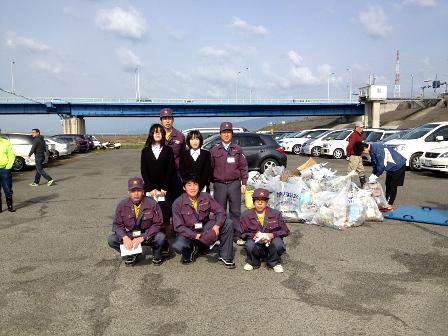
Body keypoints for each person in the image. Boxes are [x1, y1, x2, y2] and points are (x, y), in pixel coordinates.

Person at [171, 172, 235, 268]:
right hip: (189, 232)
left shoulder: (206, 197)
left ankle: (225, 256)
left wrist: (217, 226)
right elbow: (179, 227)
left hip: (204, 227)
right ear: (184, 188)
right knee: (178, 245)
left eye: (195, 184)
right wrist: (196, 236)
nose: (193, 188)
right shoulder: (177, 203)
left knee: (228, 223)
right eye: (189, 185)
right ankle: (192, 248)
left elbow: (220, 211)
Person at [107, 177, 166, 266]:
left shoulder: (152, 204)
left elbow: (159, 224)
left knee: (161, 237)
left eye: (139, 190)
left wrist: (143, 237)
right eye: (133, 191)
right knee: (112, 240)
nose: (136, 194)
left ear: (143, 191)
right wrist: (124, 237)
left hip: (148, 234)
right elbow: (117, 225)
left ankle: (156, 253)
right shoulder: (122, 205)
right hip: (132, 233)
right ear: (128, 192)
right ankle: (133, 253)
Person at [210, 122, 248, 246]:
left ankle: (236, 235)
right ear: (220, 134)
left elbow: (243, 167)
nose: (226, 135)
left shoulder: (237, 150)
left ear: (232, 134)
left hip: (234, 184)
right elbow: (210, 168)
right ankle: (220, 235)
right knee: (220, 211)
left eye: (228, 132)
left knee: (235, 211)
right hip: (219, 185)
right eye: (224, 132)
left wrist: (244, 183)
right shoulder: (214, 151)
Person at [141, 123, 175, 256]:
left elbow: (170, 169)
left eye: (160, 132)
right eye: (155, 132)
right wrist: (150, 189)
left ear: (163, 134)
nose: (157, 133)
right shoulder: (145, 151)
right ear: (151, 134)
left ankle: (165, 244)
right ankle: (153, 244)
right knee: (150, 218)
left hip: (165, 191)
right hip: (151, 192)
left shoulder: (168, 151)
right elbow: (144, 171)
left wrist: (164, 188)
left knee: (165, 218)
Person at [240, 188, 290, 273]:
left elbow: (285, 231)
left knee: (278, 243)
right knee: (249, 244)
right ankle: (253, 262)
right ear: (253, 202)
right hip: (256, 243)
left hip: (271, 243)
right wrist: (253, 236)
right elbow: (241, 233)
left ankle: (274, 262)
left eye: (263, 201)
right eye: (257, 200)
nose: (260, 203)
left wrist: (272, 235)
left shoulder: (276, 214)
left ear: (267, 202)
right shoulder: (246, 215)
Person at [354, 142, 406, 212]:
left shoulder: (378, 149)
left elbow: (382, 164)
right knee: (387, 184)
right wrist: (373, 173)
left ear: (364, 148)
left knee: (392, 185)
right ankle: (386, 202)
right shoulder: (371, 151)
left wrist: (376, 175)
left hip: (398, 165)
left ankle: (389, 204)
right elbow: (375, 164)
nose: (363, 154)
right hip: (391, 167)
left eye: (362, 152)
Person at [160, 108, 187, 200]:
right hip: (161, 174)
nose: (167, 121)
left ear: (173, 120)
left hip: (176, 173)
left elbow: (184, 156)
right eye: (165, 119)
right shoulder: (157, 136)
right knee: (163, 201)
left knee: (177, 199)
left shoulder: (180, 136)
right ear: (161, 121)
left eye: (169, 118)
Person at [346, 121, 366, 187]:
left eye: (362, 127)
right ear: (356, 128)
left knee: (361, 171)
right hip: (354, 156)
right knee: (351, 172)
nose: (362, 129)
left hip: (358, 156)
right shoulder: (354, 135)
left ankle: (364, 185)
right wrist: (349, 155)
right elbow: (350, 146)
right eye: (361, 127)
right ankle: (347, 186)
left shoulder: (358, 135)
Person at [0, 136, 16, 212]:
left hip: (4, 169)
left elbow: (11, 155)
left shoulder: (5, 143)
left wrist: (8, 166)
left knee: (7, 189)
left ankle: (10, 206)